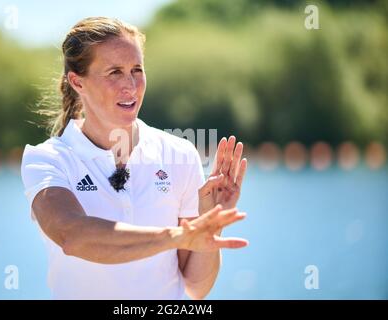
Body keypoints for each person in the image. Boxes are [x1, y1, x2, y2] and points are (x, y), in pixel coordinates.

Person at [21, 17, 248, 300]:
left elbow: (194, 288)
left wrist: (210, 222)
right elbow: (72, 235)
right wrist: (176, 236)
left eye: (136, 70)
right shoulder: (47, 159)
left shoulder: (179, 154)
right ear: (78, 82)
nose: (130, 85)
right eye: (114, 72)